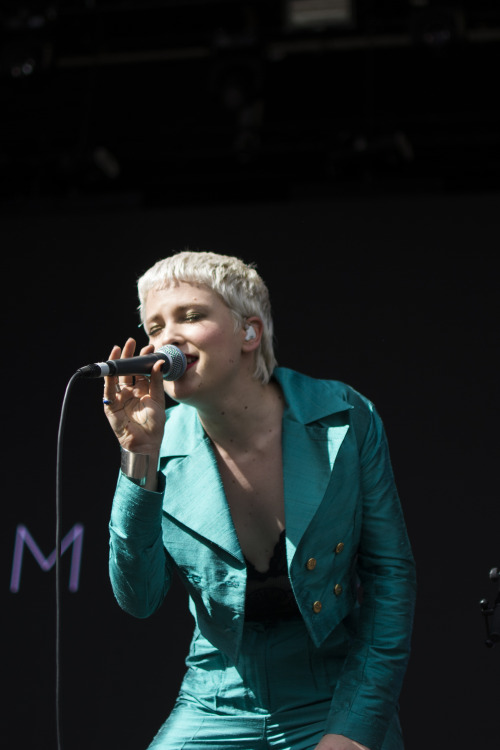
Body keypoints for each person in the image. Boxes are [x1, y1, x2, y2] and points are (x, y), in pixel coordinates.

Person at [103, 250, 416, 750]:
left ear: (250, 333)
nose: (167, 340)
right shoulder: (158, 443)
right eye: (154, 326)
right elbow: (138, 598)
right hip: (215, 697)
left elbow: (391, 577)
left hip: (333, 693)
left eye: (191, 316)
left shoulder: (345, 417)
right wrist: (139, 457)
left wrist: (353, 730)